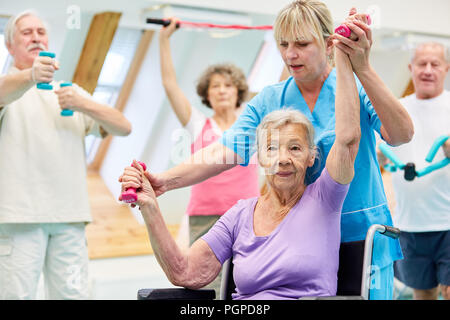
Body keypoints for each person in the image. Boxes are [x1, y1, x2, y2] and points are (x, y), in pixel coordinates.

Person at [126, 1, 415, 299]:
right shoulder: (270, 99)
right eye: (283, 44)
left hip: (360, 234)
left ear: (329, 43)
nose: (290, 54)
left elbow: (400, 134)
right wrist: (165, 181)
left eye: (302, 44)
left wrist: (361, 67)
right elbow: (224, 151)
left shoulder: (353, 86)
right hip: (297, 241)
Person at [119, 42, 361, 298]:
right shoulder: (239, 215)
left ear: (312, 156)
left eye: (295, 148)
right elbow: (185, 272)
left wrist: (343, 60)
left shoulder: (325, 197)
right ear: (259, 157)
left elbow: (347, 139)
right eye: (271, 149)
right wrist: (149, 206)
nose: (283, 159)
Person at [0, 10, 132, 299]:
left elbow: (123, 127)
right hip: (19, 219)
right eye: (26, 32)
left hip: (69, 218)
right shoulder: (7, 89)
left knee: (74, 296)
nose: (35, 37)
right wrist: (31, 75)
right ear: (9, 46)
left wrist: (84, 104)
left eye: (40, 32)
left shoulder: (69, 92)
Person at [158, 19, 260, 295]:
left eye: (227, 85)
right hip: (205, 216)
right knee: (208, 286)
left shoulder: (252, 122)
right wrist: (164, 40)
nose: (222, 91)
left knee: (246, 281)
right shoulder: (197, 124)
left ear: (238, 90)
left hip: (247, 216)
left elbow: (284, 80)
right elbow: (169, 85)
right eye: (215, 86)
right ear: (207, 94)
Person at [378, 42, 449, 300]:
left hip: (448, 223)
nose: (428, 70)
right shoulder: (396, 109)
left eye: (435, 64)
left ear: (446, 68)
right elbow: (379, 158)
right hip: (410, 225)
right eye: (422, 63)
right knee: (423, 294)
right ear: (411, 68)